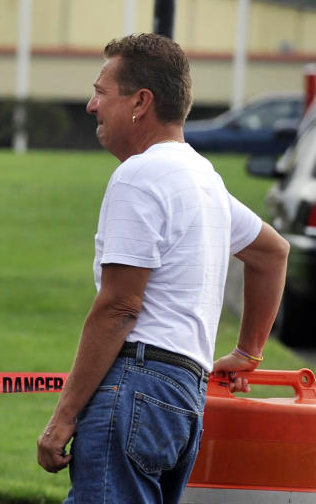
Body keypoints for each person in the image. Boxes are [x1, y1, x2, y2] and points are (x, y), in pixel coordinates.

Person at [36, 33, 290, 504]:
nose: (92, 106)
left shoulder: (138, 175)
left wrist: (63, 417)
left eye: (101, 92)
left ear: (140, 102)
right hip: (183, 399)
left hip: (134, 386)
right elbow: (271, 253)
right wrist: (249, 352)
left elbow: (119, 307)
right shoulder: (203, 178)